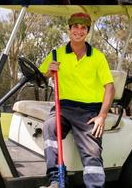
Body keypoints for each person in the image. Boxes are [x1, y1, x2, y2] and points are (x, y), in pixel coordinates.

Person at [38, 13, 115, 188]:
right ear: (69, 29)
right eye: (75, 26)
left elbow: (109, 88)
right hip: (63, 108)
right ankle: (56, 179)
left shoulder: (97, 57)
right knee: (49, 126)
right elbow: (40, 78)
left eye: (83, 28)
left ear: (87, 31)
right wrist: (49, 72)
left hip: (89, 112)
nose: (78, 31)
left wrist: (102, 116)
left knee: (92, 150)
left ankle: (94, 185)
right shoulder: (56, 54)